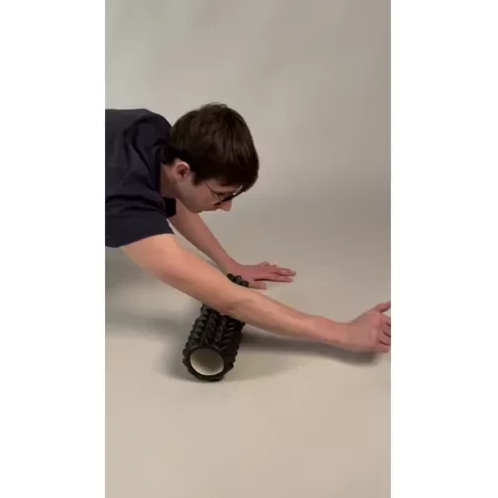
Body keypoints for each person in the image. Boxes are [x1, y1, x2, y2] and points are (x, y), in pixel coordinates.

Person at [105, 103, 391, 353]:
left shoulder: (155, 132)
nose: (227, 207)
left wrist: (229, 265)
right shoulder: (123, 194)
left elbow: (173, 195)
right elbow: (230, 301)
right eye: (220, 195)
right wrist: (342, 332)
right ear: (182, 170)